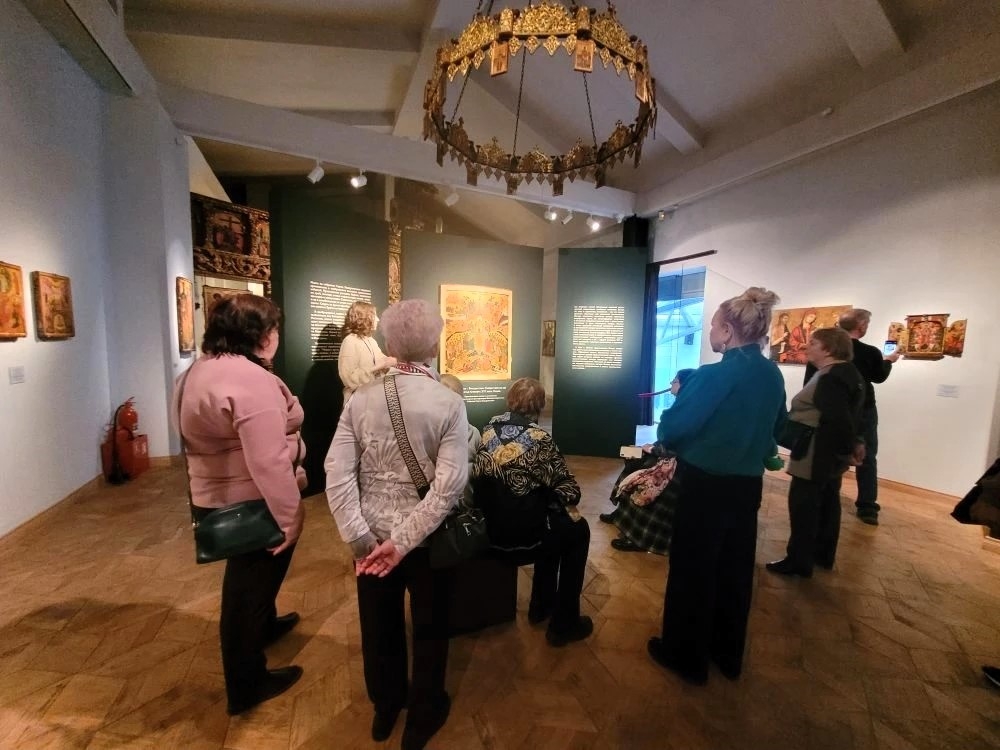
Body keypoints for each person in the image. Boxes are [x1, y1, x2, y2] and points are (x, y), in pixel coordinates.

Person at [325, 299, 468, 750]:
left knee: (379, 625)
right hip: (426, 540)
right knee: (430, 626)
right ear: (434, 346)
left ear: (389, 343)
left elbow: (337, 472)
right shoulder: (449, 403)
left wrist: (360, 538)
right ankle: (423, 715)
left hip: (372, 540)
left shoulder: (361, 399)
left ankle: (386, 706)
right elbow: (449, 487)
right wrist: (404, 542)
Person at [647, 287, 787, 686]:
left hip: (705, 487)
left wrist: (679, 399)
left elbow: (674, 428)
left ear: (727, 331)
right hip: (747, 487)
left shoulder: (714, 375)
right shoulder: (771, 373)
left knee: (693, 570)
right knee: (735, 570)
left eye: (712, 326)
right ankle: (727, 654)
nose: (709, 332)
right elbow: (777, 426)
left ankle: (685, 657)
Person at [174, 294, 305, 715]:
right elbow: (268, 461)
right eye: (274, 328)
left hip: (220, 495)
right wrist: (290, 517)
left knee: (251, 584)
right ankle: (247, 682)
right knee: (247, 590)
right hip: (251, 501)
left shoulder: (199, 370)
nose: (277, 336)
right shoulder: (248, 380)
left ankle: (264, 626)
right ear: (261, 335)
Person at [471, 377, 593, 647]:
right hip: (526, 538)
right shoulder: (541, 440)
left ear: (509, 400)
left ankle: (542, 605)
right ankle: (564, 622)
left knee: (549, 519)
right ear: (539, 406)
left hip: (489, 532)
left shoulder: (488, 430)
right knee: (577, 530)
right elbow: (570, 491)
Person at [767, 328, 865, 577]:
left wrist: (847, 448)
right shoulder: (847, 372)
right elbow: (852, 415)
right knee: (828, 503)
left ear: (828, 348)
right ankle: (822, 554)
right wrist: (852, 445)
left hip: (816, 452)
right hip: (827, 453)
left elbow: (838, 418)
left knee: (804, 507)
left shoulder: (831, 377)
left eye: (813, 343)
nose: (806, 346)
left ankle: (799, 561)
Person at [805, 308, 900, 525]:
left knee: (832, 452)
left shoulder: (824, 353)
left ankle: (829, 494)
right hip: (863, 409)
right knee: (866, 455)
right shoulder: (869, 352)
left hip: (830, 409)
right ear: (862, 326)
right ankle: (867, 506)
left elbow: (810, 385)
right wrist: (888, 361)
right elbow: (879, 376)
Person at [600, 368, 696, 554]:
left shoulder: (688, 412)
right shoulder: (684, 408)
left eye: (675, 380)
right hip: (667, 457)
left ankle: (640, 538)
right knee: (632, 463)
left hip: (676, 468)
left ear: (685, 386)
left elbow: (678, 445)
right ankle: (620, 515)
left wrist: (652, 449)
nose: (671, 383)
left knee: (644, 476)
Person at [338, 300, 396, 402]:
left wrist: (392, 362)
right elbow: (349, 379)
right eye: (374, 316)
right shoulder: (350, 341)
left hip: (372, 398)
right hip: (357, 400)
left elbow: (382, 360)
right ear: (363, 318)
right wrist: (379, 366)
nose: (377, 319)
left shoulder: (370, 340)